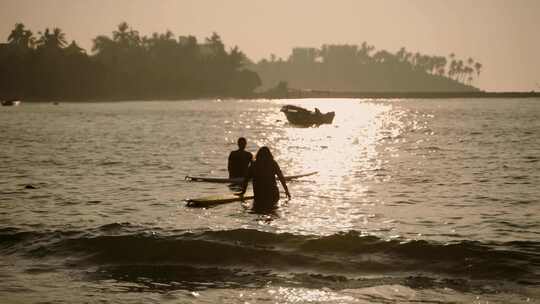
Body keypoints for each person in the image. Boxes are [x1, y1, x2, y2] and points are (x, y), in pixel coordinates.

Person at [239, 147, 291, 211]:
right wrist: (287, 191)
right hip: (273, 195)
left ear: (258, 155)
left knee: (258, 210)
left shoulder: (253, 165)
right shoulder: (273, 163)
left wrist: (243, 192)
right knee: (271, 211)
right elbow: (281, 178)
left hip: (259, 196)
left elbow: (246, 180)